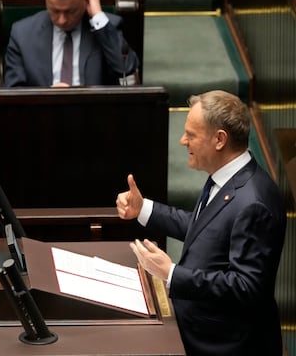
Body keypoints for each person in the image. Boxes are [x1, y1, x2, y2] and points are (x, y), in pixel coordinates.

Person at [115, 90, 286, 355]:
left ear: (219, 139)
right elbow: (204, 228)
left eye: (191, 135)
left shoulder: (254, 202)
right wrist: (143, 209)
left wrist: (171, 273)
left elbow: (246, 287)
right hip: (200, 324)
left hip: (224, 344)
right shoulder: (225, 178)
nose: (183, 141)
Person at [4, 0, 139, 87]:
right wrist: (45, 98)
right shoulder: (22, 34)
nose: (62, 20)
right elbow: (13, 92)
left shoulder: (104, 28)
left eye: (71, 11)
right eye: (55, 11)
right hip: (42, 113)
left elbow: (125, 68)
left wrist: (97, 15)